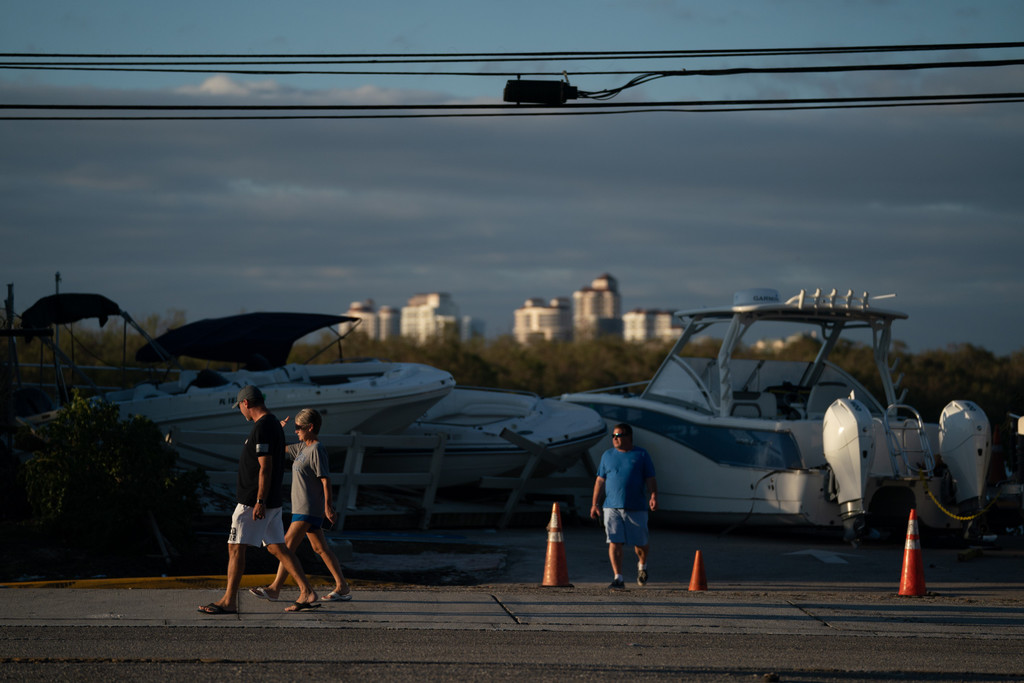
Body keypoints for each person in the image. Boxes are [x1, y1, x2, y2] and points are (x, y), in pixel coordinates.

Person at [198, 385, 320, 615]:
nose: (240, 411)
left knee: (235, 547)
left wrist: (259, 501)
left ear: (246, 403)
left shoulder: (263, 426)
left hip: (253, 500)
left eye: (240, 407)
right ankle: (306, 591)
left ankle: (229, 601)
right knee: (277, 547)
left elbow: (265, 467)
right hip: (270, 499)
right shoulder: (272, 424)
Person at [249, 408, 352, 603]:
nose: (295, 430)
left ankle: (275, 588)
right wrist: (277, 430)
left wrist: (328, 507)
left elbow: (325, 480)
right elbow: (279, 448)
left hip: (308, 508)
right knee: (320, 549)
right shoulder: (302, 448)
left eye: (299, 427)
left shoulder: (317, 449)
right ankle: (342, 586)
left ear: (310, 427)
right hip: (301, 507)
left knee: (286, 545)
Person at [589, 423, 657, 590]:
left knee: (640, 543)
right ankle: (618, 577)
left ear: (629, 437)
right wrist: (595, 504)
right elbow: (600, 481)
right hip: (611, 507)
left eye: (618, 436)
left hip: (636, 506)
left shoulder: (641, 454)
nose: (615, 439)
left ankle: (642, 565)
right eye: (613, 436)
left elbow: (650, 478)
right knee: (614, 541)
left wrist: (653, 496)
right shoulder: (607, 455)